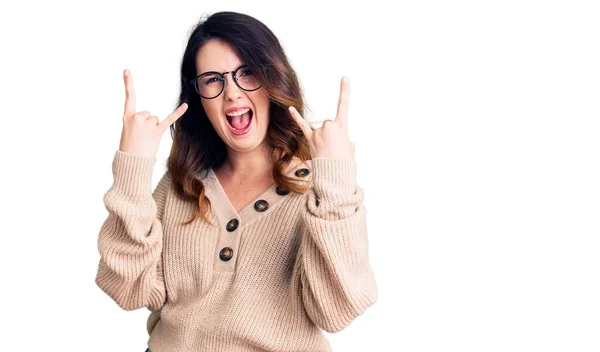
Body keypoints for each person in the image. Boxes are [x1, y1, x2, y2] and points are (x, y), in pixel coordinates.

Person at [95, 11, 377, 352]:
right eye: (213, 79)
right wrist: (133, 169)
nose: (232, 93)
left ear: (273, 79)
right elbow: (128, 290)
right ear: (198, 96)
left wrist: (335, 175)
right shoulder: (182, 183)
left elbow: (336, 313)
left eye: (247, 73)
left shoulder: (323, 191)